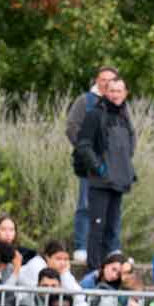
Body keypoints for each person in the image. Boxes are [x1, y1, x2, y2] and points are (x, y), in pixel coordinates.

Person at [76, 75, 135, 274]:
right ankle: (94, 269)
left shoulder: (124, 115)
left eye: (119, 91)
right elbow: (83, 145)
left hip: (119, 181)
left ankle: (111, 269)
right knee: (97, 227)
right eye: (112, 90)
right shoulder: (94, 114)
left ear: (125, 93)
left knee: (113, 228)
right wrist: (99, 168)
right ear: (105, 92)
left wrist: (128, 170)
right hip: (100, 182)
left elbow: (130, 145)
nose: (116, 95)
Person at [65, 65, 118, 256]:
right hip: (90, 165)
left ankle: (111, 249)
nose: (106, 83)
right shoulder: (85, 101)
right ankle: (81, 247)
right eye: (103, 79)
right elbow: (72, 128)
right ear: (97, 80)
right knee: (86, 205)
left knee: (112, 208)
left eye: (111, 80)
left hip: (114, 166)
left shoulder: (118, 104)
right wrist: (89, 153)